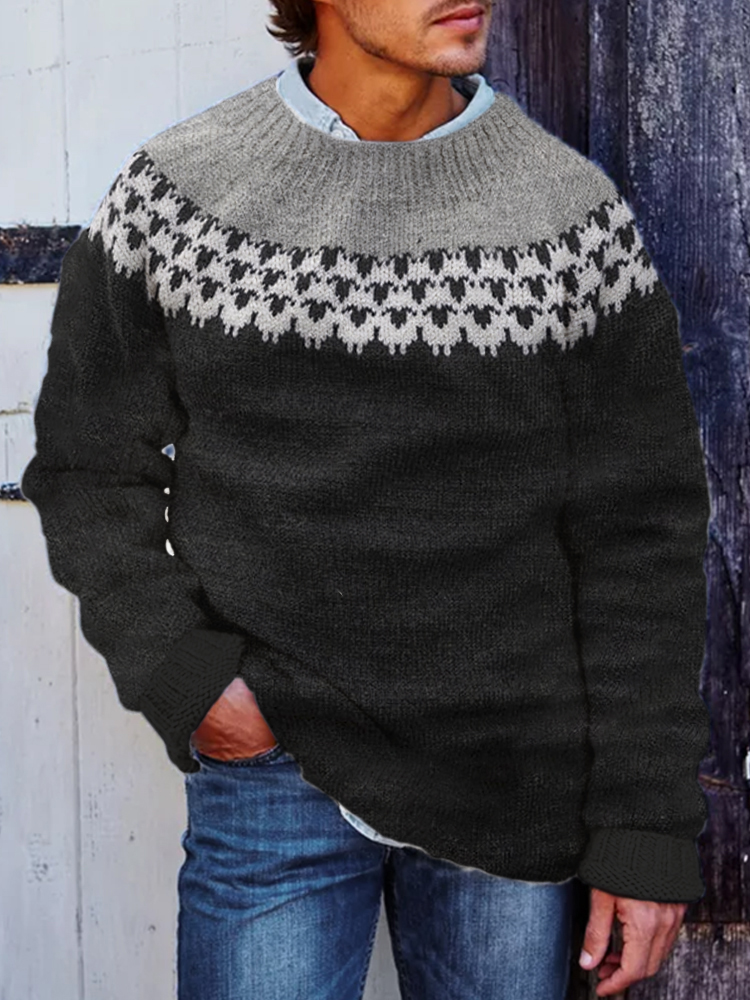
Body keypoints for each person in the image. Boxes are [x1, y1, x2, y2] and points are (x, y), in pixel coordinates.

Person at [21, 1, 712, 997]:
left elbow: (640, 537)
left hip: (512, 783)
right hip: (275, 777)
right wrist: (189, 680)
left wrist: (645, 830)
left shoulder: (567, 219)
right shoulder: (183, 194)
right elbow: (87, 466)